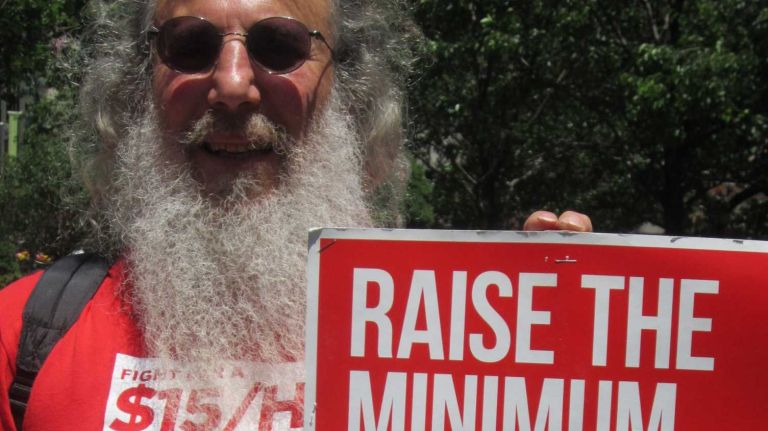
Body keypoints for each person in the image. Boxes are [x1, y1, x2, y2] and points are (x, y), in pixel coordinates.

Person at [0, 0, 592, 429]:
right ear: (138, 87)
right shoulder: (21, 332)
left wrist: (549, 353)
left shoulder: (455, 350)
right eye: (189, 46)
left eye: (280, 47)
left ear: (350, 92)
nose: (233, 85)